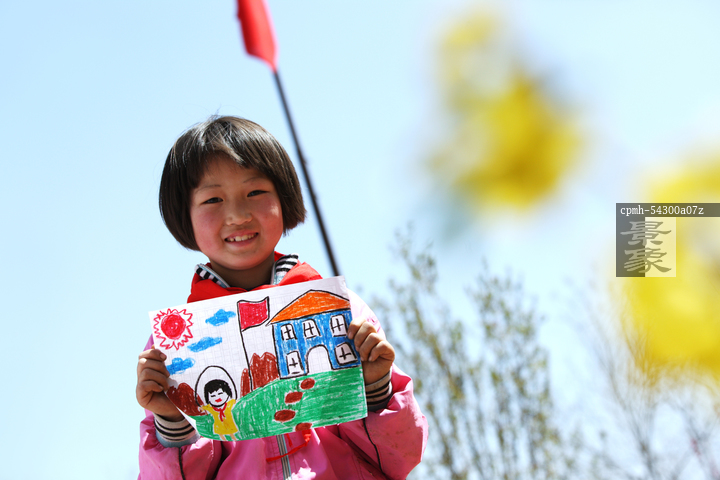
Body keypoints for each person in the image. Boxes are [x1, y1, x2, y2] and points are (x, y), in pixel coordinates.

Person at [136, 116, 428, 479]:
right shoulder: (173, 348)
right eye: (212, 199)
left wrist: (375, 388)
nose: (237, 215)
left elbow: (400, 456)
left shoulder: (343, 310)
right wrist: (171, 420)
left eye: (254, 193)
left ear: (283, 196)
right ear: (184, 216)